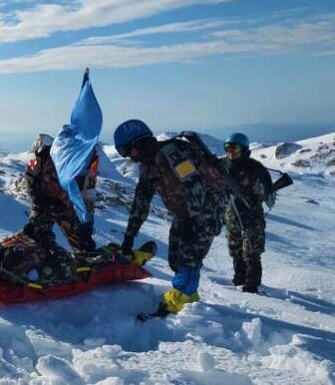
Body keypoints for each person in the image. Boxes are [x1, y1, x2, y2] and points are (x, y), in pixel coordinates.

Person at [113, 119, 226, 315]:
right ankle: (189, 300)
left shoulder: (173, 153)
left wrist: (193, 222)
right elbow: (141, 201)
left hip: (204, 212)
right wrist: (129, 236)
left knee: (189, 257)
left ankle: (179, 301)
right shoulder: (147, 166)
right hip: (185, 214)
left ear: (139, 143)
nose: (128, 157)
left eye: (126, 150)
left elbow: (195, 184)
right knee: (176, 258)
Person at [22, 143, 98, 252]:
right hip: (44, 204)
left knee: (83, 244)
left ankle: (84, 266)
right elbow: (29, 176)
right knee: (35, 239)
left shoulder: (89, 164)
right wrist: (38, 198)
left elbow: (89, 195)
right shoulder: (44, 154)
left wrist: (88, 224)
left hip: (68, 208)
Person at [223, 133, 274, 294]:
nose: (231, 152)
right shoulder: (221, 166)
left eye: (235, 148)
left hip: (251, 217)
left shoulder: (255, 168)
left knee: (251, 252)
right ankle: (239, 280)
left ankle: (251, 288)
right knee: (235, 250)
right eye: (228, 148)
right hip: (231, 216)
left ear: (244, 150)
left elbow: (266, 193)